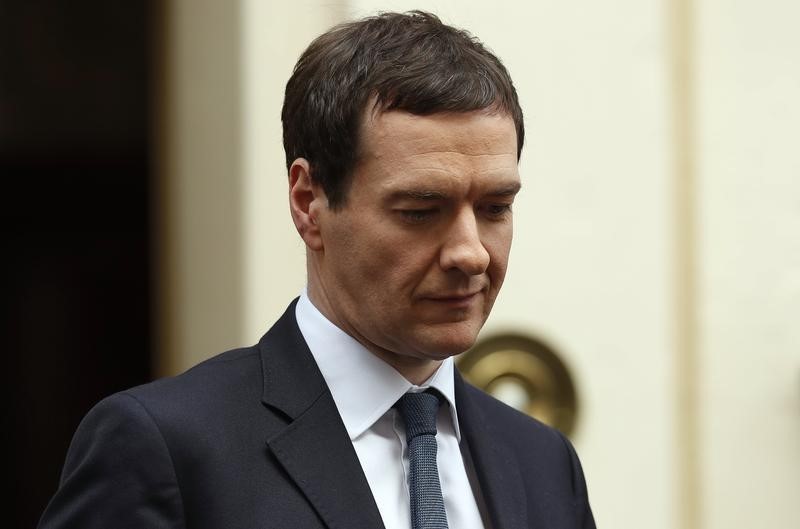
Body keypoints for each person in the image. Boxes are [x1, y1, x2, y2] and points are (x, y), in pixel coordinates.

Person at [39, 11, 595, 529]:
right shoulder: (167, 449)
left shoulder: (543, 462)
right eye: (420, 212)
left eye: (495, 208)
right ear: (309, 203)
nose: (471, 253)